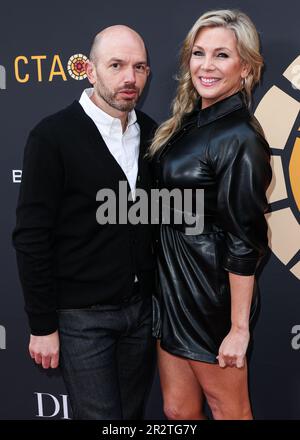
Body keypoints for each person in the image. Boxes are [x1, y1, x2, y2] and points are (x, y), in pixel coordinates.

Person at [12, 25, 157, 420]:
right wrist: (42, 326)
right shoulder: (52, 136)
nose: (129, 77)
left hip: (142, 314)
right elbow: (31, 237)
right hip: (81, 319)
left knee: (130, 418)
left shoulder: (153, 133)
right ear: (90, 71)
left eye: (139, 67)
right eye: (116, 65)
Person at [149, 9, 272, 420]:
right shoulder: (189, 123)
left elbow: (245, 241)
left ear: (246, 67)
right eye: (199, 53)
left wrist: (238, 329)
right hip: (173, 291)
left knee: (229, 410)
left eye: (222, 55)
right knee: (177, 411)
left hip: (210, 300)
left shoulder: (240, 137)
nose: (206, 65)